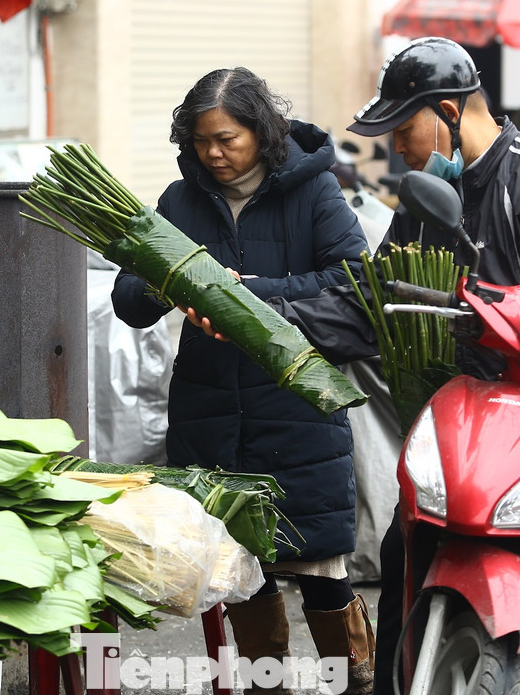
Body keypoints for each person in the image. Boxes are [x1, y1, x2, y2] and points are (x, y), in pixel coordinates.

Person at [195, 38, 520, 695]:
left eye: (403, 127)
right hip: (480, 415)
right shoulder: (426, 203)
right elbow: (372, 307)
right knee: (403, 550)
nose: (397, 147)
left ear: (447, 110)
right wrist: (254, 311)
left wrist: (481, 310)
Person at [111, 67, 376, 694]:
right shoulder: (179, 203)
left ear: (261, 132)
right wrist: (172, 281)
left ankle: (356, 675)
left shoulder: (315, 195)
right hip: (210, 411)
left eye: (227, 138)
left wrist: (256, 298)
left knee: (318, 566)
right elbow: (128, 298)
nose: (214, 154)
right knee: (238, 567)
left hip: (296, 409)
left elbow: (355, 288)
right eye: (202, 140)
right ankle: (267, 682)